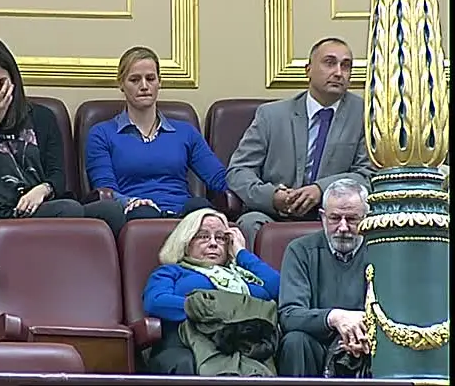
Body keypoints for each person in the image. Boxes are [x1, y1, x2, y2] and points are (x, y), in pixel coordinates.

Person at [0, 38, 125, 236]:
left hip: (44, 204)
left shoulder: (42, 117)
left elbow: (58, 175)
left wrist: (42, 190)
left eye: (1, 84)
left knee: (111, 211)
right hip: (4, 213)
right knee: (69, 210)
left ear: (14, 81)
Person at [226, 37, 375, 248]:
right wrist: (272, 197)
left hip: (337, 215)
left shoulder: (365, 116)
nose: (339, 72)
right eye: (330, 63)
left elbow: (368, 175)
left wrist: (321, 190)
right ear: (308, 70)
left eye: (346, 65)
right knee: (250, 224)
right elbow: (238, 171)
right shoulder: (271, 115)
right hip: (275, 213)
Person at [86, 46, 229, 221]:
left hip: (183, 216)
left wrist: (256, 188)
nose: (144, 86)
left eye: (150, 78)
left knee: (201, 208)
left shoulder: (185, 132)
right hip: (135, 214)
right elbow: (106, 191)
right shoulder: (102, 133)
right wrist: (130, 202)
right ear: (121, 84)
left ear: (159, 82)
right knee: (145, 213)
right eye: (135, 80)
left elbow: (218, 178)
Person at [142, 208, 280, 375]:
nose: (213, 243)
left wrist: (242, 253)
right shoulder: (172, 271)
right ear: (186, 242)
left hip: (245, 346)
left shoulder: (242, 275)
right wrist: (216, 311)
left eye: (221, 238)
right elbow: (156, 301)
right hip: (186, 343)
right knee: (183, 361)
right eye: (203, 236)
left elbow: (278, 289)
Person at [277, 178, 370, 377]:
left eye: (352, 219)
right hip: (318, 344)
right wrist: (334, 317)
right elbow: (289, 314)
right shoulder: (300, 250)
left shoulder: (381, 250)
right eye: (335, 218)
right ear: (322, 217)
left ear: (366, 217)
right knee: (295, 341)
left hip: (367, 342)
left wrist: (362, 331)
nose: (343, 227)